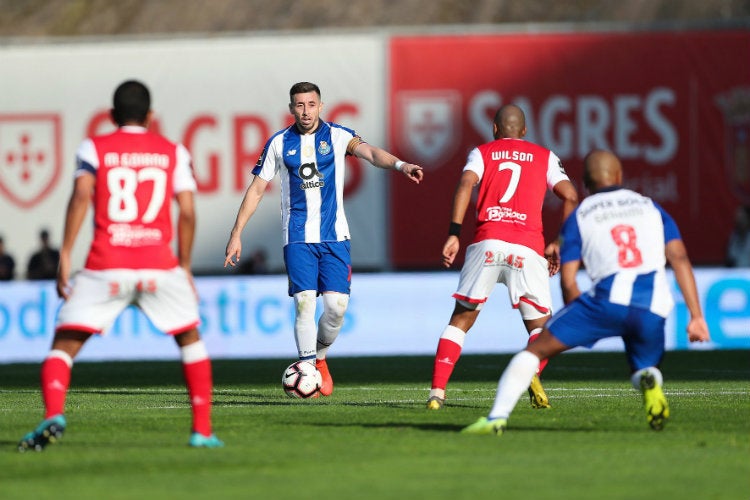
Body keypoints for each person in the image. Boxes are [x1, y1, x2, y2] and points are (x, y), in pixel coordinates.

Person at [18, 80, 222, 451]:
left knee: (63, 346)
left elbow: (82, 194)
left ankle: (53, 413)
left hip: (106, 263)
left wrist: (65, 253)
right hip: (159, 264)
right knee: (190, 339)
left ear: (111, 116)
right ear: (151, 116)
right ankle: (202, 431)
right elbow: (188, 212)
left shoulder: (94, 147)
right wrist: (186, 267)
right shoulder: (172, 151)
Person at [462, 149, 710, 436]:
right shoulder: (652, 208)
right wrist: (696, 316)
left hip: (604, 303)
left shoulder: (580, 216)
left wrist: (579, 318)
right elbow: (679, 258)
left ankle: (496, 419)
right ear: (619, 176)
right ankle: (649, 379)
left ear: (585, 183)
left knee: (534, 351)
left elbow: (568, 280)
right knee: (643, 366)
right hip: (652, 306)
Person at [224, 81, 423, 396]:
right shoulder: (278, 143)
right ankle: (307, 369)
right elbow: (257, 189)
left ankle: (320, 358)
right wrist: (237, 233)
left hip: (335, 236)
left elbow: (370, 152)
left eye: (311, 104)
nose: (305, 111)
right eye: (299, 105)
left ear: (321, 105)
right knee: (304, 303)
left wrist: (400, 165)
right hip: (298, 237)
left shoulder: (338, 135)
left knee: (336, 307)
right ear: (291, 108)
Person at [427, 104, 578, 410]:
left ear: (494, 129)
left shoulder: (482, 153)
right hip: (528, 246)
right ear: (524, 131)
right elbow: (571, 196)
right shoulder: (545, 156)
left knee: (461, 320)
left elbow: (466, 184)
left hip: (487, 241)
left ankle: (437, 393)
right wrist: (560, 242)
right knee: (542, 329)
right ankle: (530, 372)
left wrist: (454, 232)